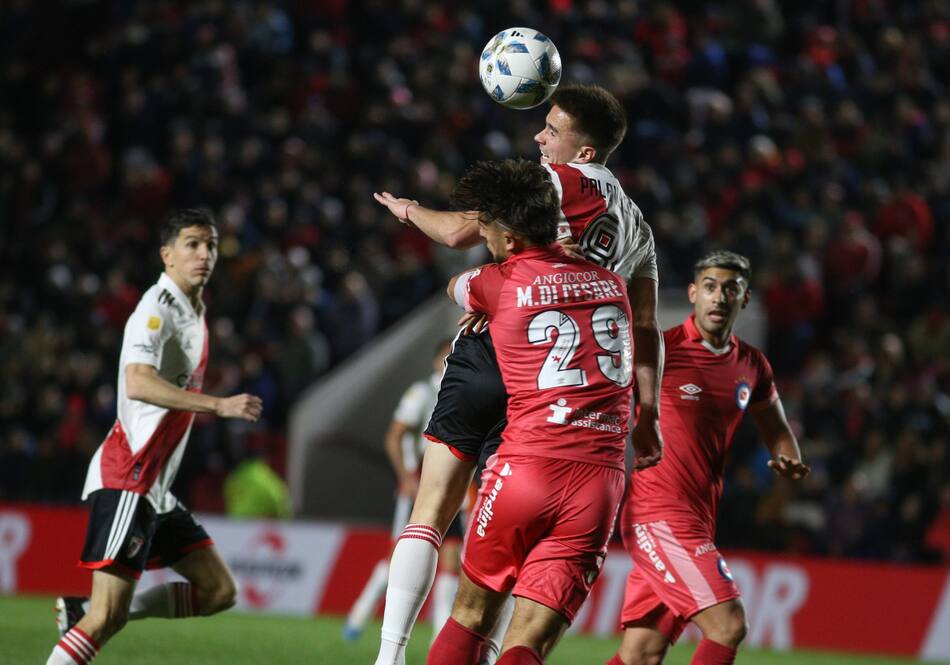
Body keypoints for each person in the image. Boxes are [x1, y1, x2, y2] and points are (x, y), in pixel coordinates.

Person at [372, 84, 663, 665]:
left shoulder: (556, 183)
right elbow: (648, 329)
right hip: (577, 394)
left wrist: (408, 211)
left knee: (432, 511)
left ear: (583, 152)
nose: (538, 137)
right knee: (522, 588)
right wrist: (647, 414)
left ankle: (391, 655)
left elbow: (458, 234)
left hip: (500, 349)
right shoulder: (638, 229)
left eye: (551, 130)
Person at [426, 158, 634, 665]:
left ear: (512, 240)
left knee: (472, 615)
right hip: (599, 484)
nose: (488, 242)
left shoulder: (501, 280)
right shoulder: (614, 285)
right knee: (527, 645)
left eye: (491, 234)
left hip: (527, 469)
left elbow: (454, 289)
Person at [47, 209, 263, 665]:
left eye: (211, 245)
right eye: (192, 244)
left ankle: (83, 609)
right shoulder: (155, 310)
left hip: (157, 489)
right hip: (130, 474)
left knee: (219, 591)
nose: (204, 254)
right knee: (106, 617)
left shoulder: (196, 309)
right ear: (167, 255)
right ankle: (88, 614)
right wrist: (219, 405)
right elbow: (138, 382)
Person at [606, 251, 810, 665]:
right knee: (729, 624)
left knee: (642, 654)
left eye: (730, 289)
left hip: (699, 517)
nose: (719, 298)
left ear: (745, 299)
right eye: (711, 288)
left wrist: (787, 458)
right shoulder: (661, 350)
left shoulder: (752, 364)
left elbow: (776, 430)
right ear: (694, 294)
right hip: (657, 514)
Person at [342, 339, 465, 644]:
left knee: (451, 556)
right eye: (448, 355)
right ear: (437, 361)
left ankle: (440, 637)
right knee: (399, 554)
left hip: (452, 482)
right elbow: (394, 436)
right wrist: (406, 478)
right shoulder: (423, 393)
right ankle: (360, 612)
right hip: (420, 482)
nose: (454, 360)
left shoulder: (463, 390)